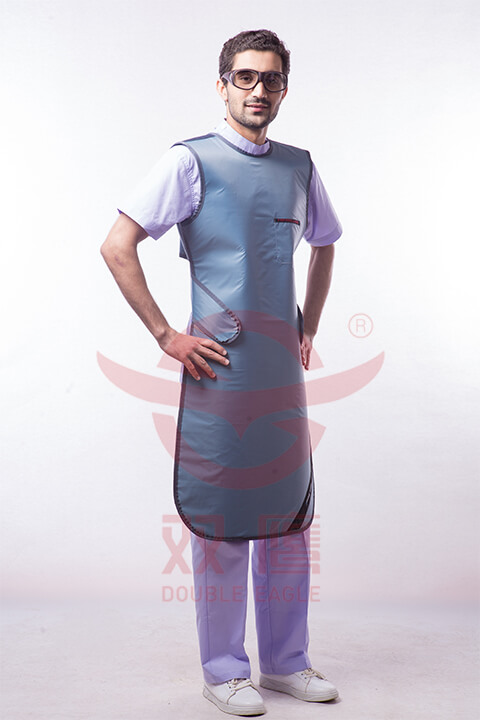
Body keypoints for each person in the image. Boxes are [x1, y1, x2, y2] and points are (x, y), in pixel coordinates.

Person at [101, 29, 342, 717]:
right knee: (224, 518)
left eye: (271, 79)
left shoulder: (299, 167)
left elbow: (325, 243)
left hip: (280, 373)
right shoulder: (189, 162)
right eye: (245, 77)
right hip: (220, 371)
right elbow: (117, 246)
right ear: (222, 85)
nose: (258, 89)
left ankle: (286, 663)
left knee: (289, 517)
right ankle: (225, 670)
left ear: (284, 89)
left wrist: (309, 324)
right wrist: (166, 335)